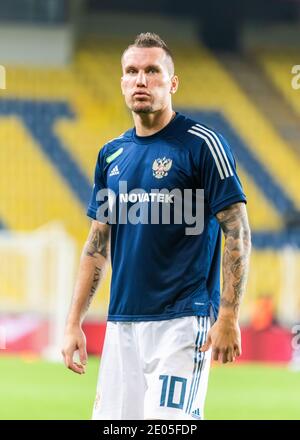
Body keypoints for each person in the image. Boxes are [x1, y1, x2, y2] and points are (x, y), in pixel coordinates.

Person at [62, 32, 251, 420]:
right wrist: (73, 323)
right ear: (122, 82)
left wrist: (229, 316)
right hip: (122, 324)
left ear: (172, 82)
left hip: (183, 321)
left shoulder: (203, 145)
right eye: (131, 72)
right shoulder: (111, 154)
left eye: (152, 71)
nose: (141, 80)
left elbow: (238, 231)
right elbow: (97, 246)